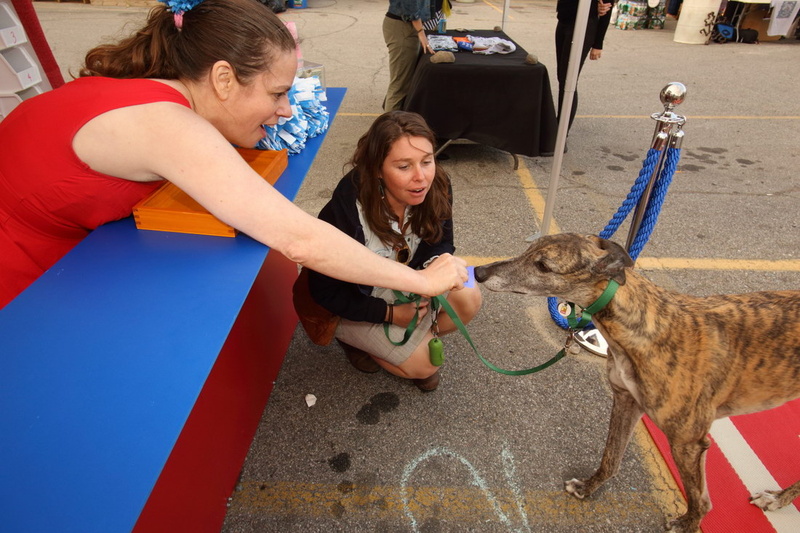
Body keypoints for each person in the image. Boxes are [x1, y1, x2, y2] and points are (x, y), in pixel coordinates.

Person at [0, 0, 468, 310]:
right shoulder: (170, 127)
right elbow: (298, 239)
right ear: (223, 79)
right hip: (19, 263)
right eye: (277, 93)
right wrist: (423, 283)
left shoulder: (160, 90)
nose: (286, 110)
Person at [306, 111, 482, 392]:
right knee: (426, 365)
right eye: (403, 167)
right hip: (355, 299)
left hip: (407, 279)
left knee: (469, 291)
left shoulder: (437, 184)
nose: (421, 177)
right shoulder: (346, 212)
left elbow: (443, 243)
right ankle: (358, 339)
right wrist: (389, 314)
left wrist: (430, 277)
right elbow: (325, 292)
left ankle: (406, 337)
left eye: (427, 161)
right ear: (376, 168)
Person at [555, 0, 615, 133]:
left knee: (568, 81)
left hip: (582, 26)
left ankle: (561, 132)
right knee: (562, 77)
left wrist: (598, 44)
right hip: (564, 22)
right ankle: (558, 125)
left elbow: (607, 7)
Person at [383, 0, 450, 111]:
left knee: (406, 83)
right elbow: (410, 5)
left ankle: (398, 122)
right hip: (403, 27)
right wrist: (420, 31)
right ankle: (390, 127)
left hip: (409, 26)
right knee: (399, 87)